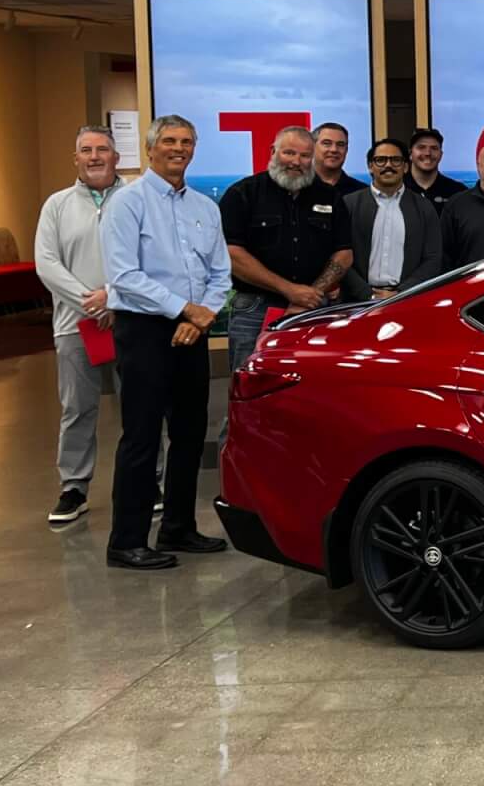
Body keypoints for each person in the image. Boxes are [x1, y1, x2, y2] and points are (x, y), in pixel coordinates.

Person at [98, 114, 231, 570]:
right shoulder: (127, 203)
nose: (179, 148)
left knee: (190, 433)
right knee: (141, 436)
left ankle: (178, 527)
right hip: (144, 331)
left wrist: (200, 315)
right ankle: (126, 541)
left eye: (186, 141)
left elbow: (220, 273)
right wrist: (184, 309)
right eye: (170, 141)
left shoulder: (205, 207)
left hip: (191, 330)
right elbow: (123, 275)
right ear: (151, 148)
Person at [34, 126, 120, 527]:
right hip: (75, 325)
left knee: (140, 406)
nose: (94, 156)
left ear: (116, 156)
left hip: (129, 320)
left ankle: (148, 481)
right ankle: (73, 488)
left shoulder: (135, 199)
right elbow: (46, 263)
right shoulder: (56, 205)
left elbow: (150, 256)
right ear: (76, 158)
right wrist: (91, 301)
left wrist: (113, 297)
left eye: (102, 149)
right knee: (77, 408)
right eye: (86, 150)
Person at [219, 124, 353, 374]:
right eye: (289, 153)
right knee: (250, 381)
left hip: (313, 307)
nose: (296, 162)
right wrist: (290, 290)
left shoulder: (329, 197)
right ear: (273, 152)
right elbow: (232, 254)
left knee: (311, 382)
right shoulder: (242, 193)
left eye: (304, 155)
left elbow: (344, 253)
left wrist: (311, 295)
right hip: (255, 309)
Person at [343, 138, 445, 301]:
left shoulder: (424, 207)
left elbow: (433, 258)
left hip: (408, 300)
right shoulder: (349, 204)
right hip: (356, 302)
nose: (388, 165)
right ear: (370, 166)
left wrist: (402, 293)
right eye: (380, 160)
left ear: (405, 167)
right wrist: (367, 294)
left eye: (395, 160)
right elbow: (339, 256)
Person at [406, 127, 469, 212]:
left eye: (434, 148)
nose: (428, 153)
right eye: (421, 147)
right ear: (410, 154)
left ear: (441, 155)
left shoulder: (458, 192)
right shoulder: (396, 188)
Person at [311, 122, 366, 196]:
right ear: (312, 147)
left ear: (346, 150)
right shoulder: (298, 188)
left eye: (340, 144)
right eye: (327, 143)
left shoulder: (362, 193)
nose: (334, 149)